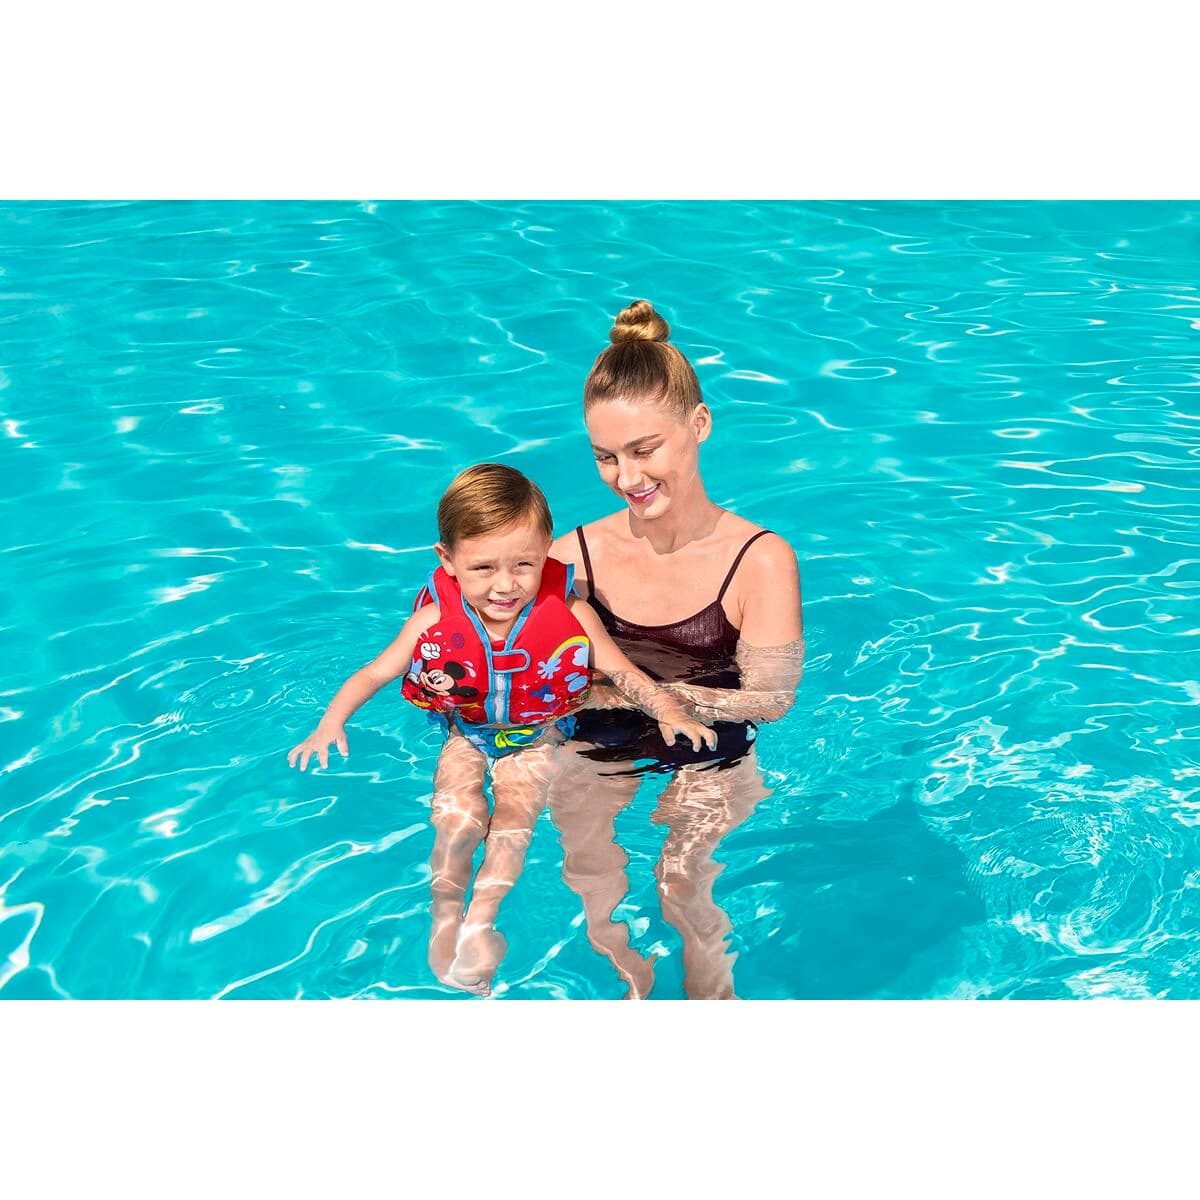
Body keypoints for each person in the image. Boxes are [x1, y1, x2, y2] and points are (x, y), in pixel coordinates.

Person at [287, 463, 716, 996]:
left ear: (546, 554)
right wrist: (330, 723)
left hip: (537, 736)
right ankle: (445, 914)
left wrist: (670, 711)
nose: (506, 584)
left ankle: (481, 919)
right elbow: (375, 672)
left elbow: (624, 672)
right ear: (447, 560)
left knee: (514, 823)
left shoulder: (571, 613)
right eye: (484, 567)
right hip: (466, 732)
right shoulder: (432, 622)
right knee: (456, 818)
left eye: (524, 565)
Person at [546, 299, 805, 999]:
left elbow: (772, 699)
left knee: (679, 882)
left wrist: (665, 698)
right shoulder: (571, 557)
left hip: (714, 744)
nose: (627, 478)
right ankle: (630, 986)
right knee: (587, 869)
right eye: (606, 457)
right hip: (600, 735)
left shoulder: (759, 560)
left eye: (645, 450)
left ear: (700, 424)